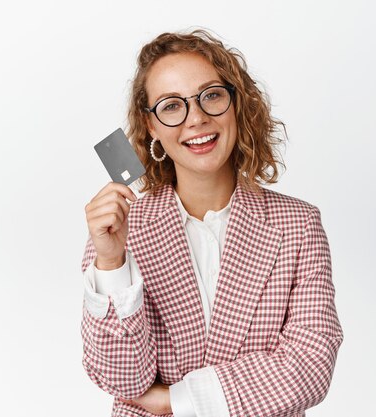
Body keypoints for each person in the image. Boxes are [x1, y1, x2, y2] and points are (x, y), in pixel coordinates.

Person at [81, 29, 343, 417]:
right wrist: (110, 263)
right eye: (172, 105)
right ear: (150, 124)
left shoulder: (298, 226)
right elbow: (122, 381)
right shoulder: (120, 230)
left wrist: (176, 400)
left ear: (236, 104)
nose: (197, 118)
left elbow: (310, 366)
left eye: (211, 95)